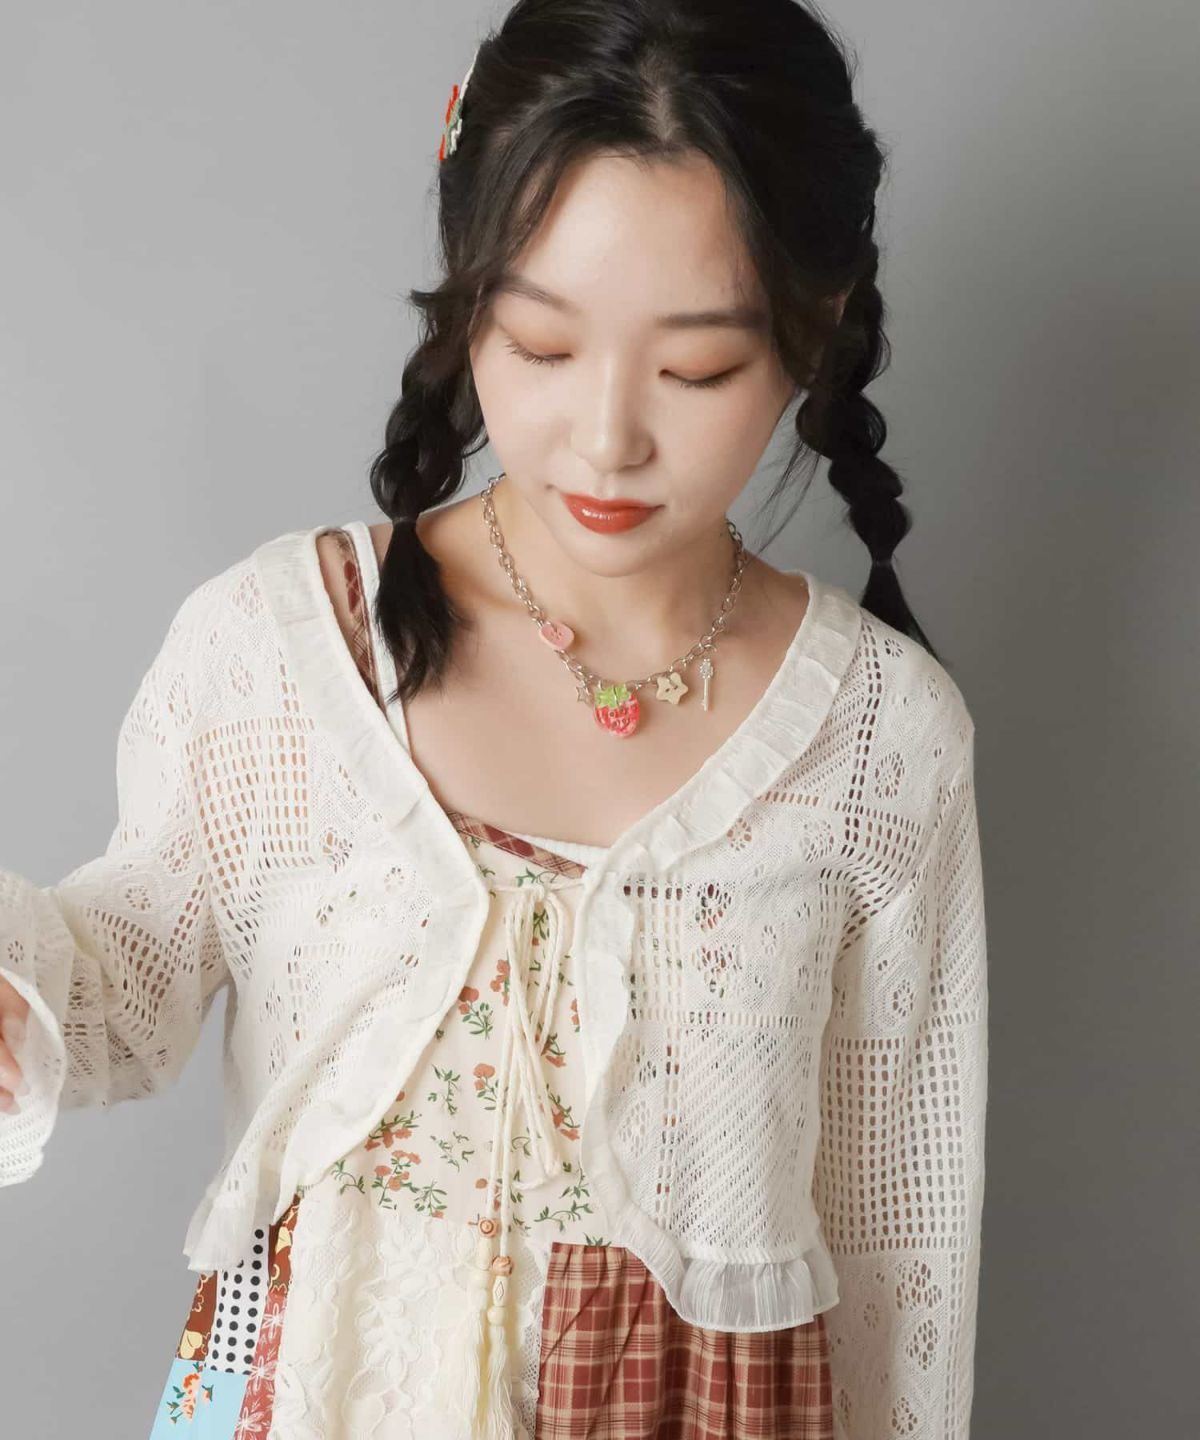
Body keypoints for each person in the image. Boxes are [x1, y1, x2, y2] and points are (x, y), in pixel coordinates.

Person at [0, 2, 989, 1437]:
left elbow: (904, 1249)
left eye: (696, 370)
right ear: (469, 303)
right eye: (538, 343)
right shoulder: (285, 651)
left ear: (816, 325)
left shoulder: (883, 739)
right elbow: (123, 977)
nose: (607, 437)